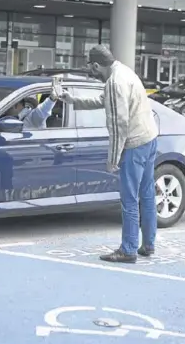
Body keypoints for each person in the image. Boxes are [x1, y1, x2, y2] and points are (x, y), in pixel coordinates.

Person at [61, 44, 159, 264]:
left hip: (133, 145)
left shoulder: (114, 82)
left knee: (129, 200)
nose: (91, 72)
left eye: (91, 68)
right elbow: (104, 102)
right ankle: (149, 244)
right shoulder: (123, 71)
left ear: (97, 65)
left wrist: (113, 159)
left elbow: (118, 125)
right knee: (147, 195)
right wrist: (73, 100)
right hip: (149, 139)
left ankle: (128, 250)